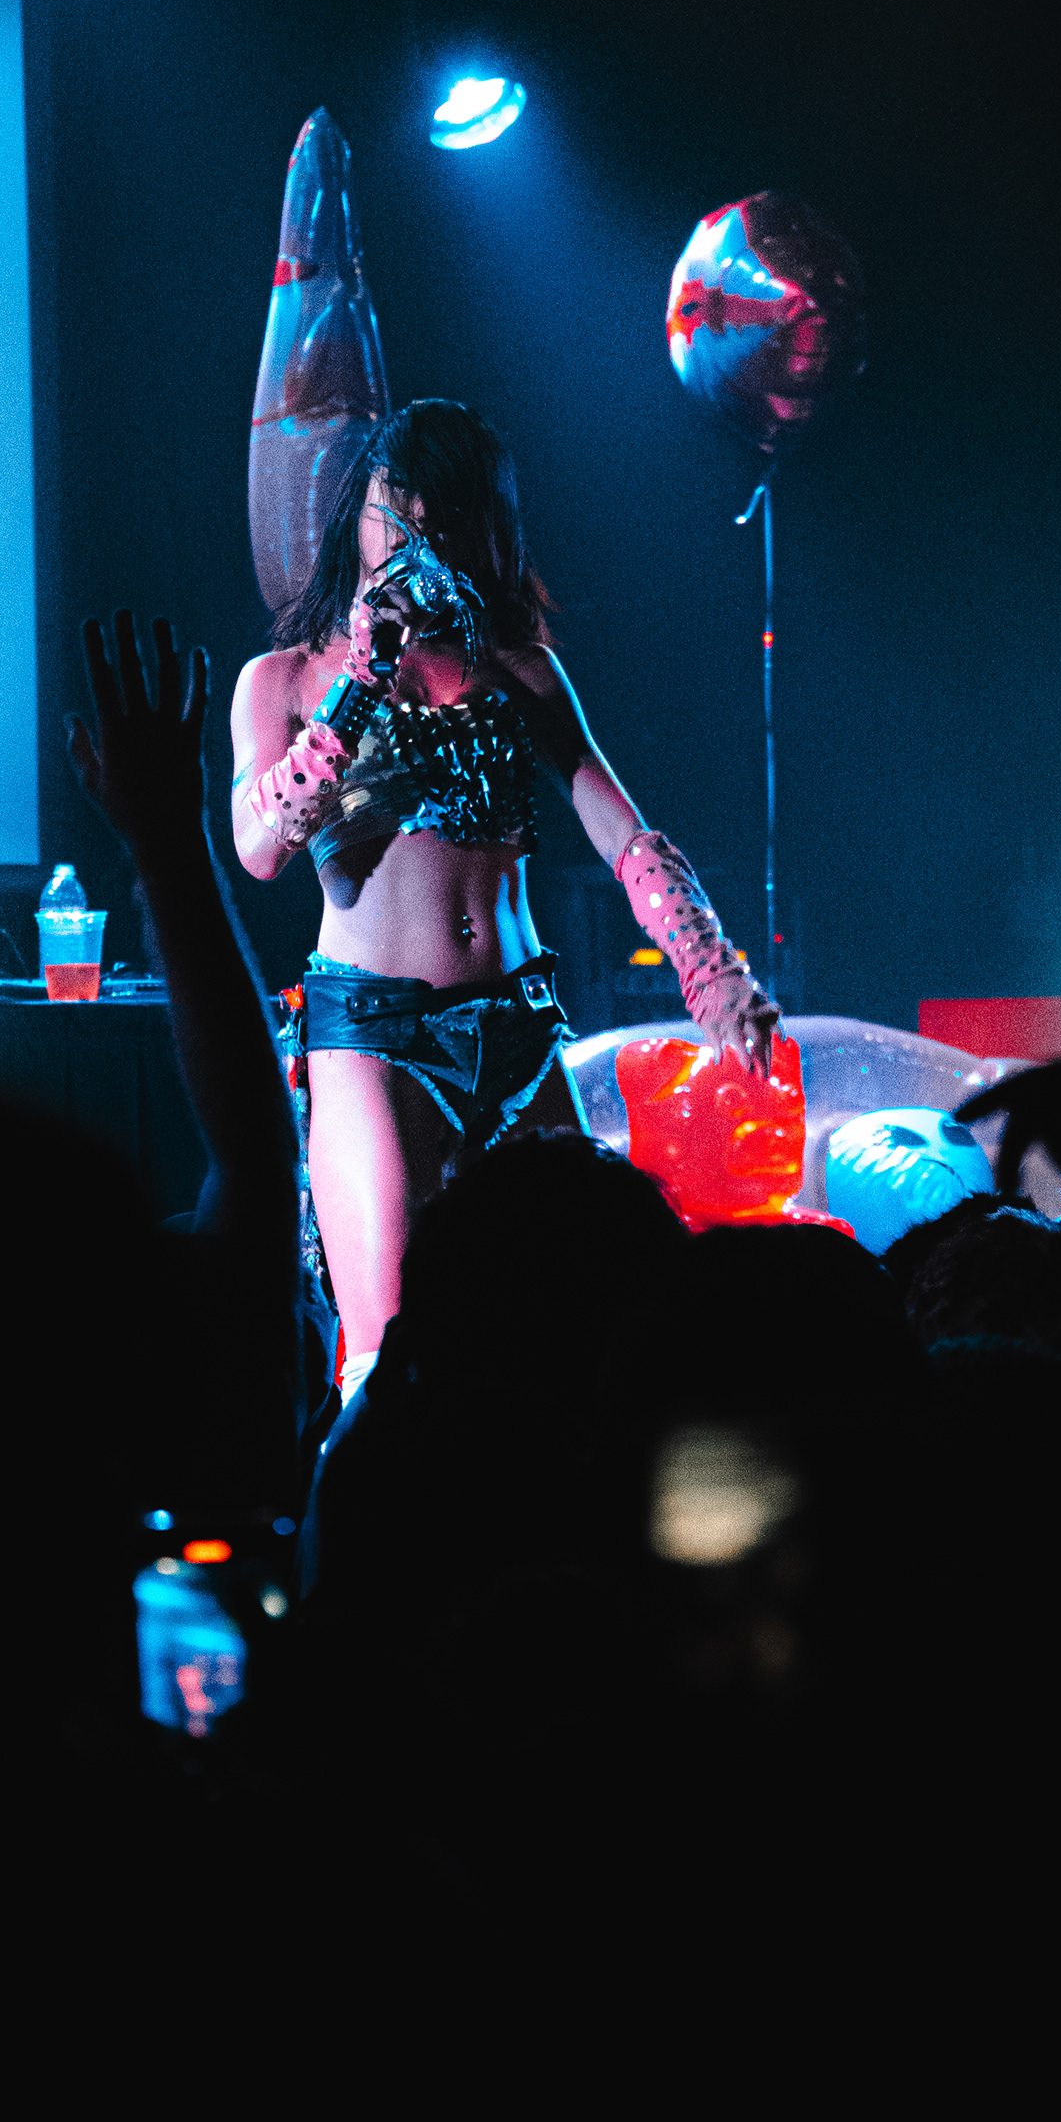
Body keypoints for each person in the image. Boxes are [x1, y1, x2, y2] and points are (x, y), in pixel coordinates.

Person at [230, 397, 777, 1398]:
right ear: (360, 519)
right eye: (400, 515)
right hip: (377, 1036)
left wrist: (710, 968)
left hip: (519, 1030)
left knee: (576, 1328)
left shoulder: (520, 670)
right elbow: (261, 849)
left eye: (445, 520)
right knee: (393, 1352)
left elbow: (620, 828)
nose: (420, 541)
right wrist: (363, 679)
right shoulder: (284, 680)